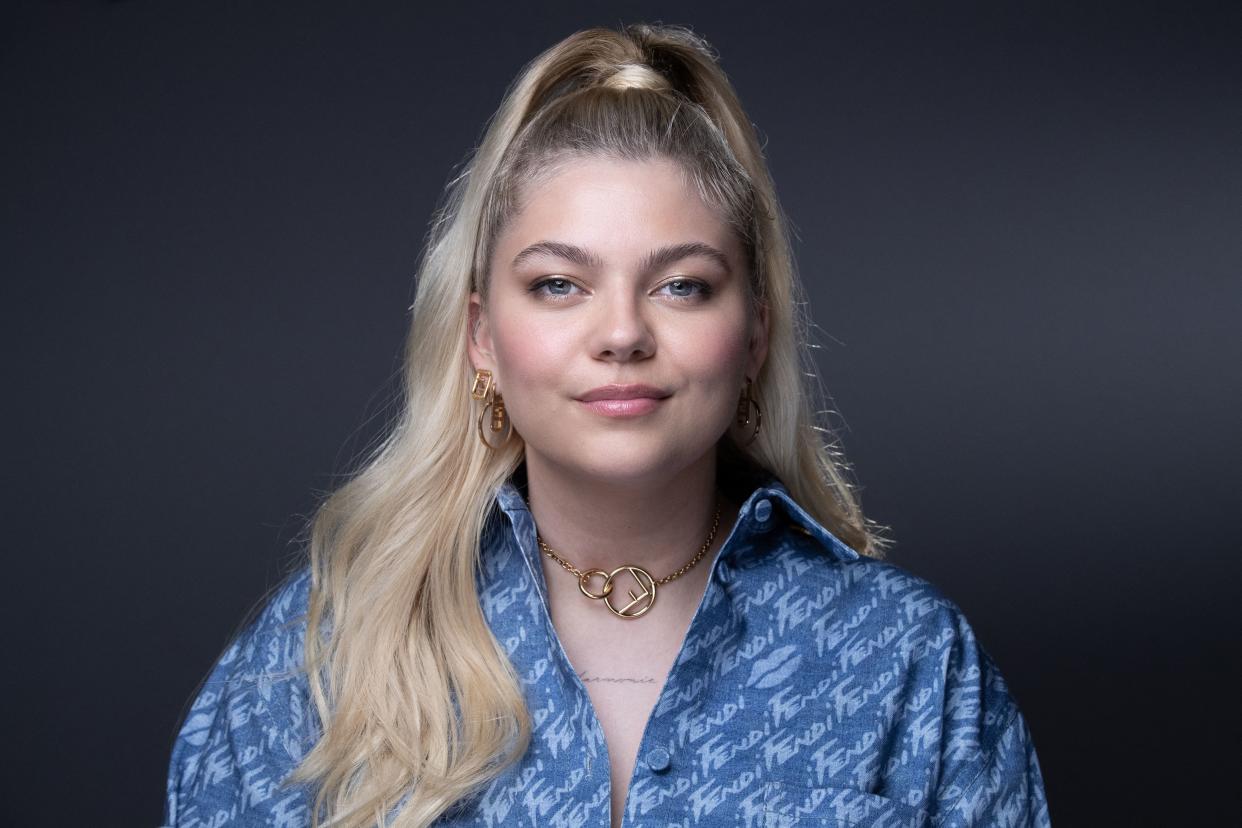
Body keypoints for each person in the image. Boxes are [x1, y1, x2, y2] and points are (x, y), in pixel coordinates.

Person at [162, 23, 1050, 828]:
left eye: (681, 285)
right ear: (481, 338)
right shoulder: (324, 657)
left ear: (754, 336)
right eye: (559, 284)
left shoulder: (906, 662)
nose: (622, 333)